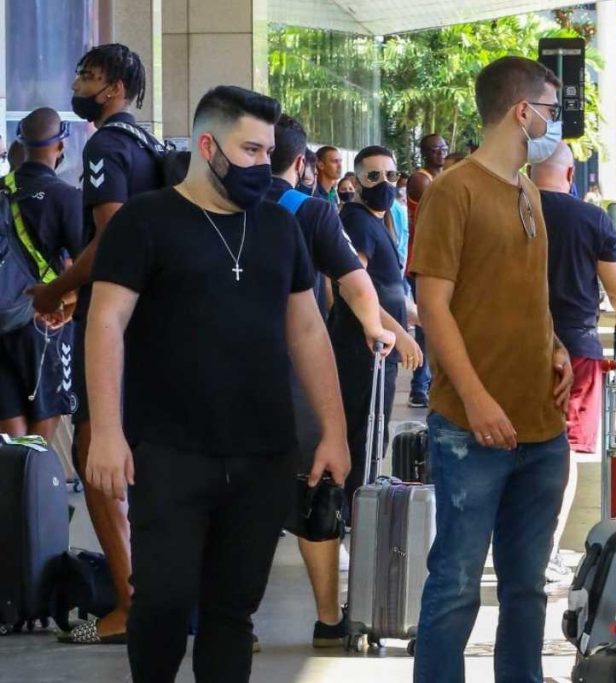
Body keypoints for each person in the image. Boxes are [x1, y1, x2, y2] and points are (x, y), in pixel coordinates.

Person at [86, 85, 350, 682]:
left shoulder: (281, 230)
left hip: (263, 452)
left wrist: (332, 431)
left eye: (268, 150)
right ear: (208, 146)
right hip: (170, 448)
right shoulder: (145, 222)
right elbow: (105, 323)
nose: (264, 163)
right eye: (251, 150)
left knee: (233, 611)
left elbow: (307, 332)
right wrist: (105, 430)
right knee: (164, 600)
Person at [412, 55, 573, 683]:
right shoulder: (454, 190)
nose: (556, 124)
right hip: (470, 428)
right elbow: (433, 306)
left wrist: (554, 345)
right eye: (552, 111)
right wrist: (477, 401)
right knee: (455, 582)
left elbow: (522, 293)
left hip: (540, 428)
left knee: (527, 588)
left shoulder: (528, 187)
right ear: (521, 111)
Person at [268, 114, 420, 648]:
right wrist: (383, 329)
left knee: (236, 497)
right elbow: (353, 285)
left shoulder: (210, 207)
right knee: (317, 487)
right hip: (296, 374)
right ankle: (329, 617)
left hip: (226, 374)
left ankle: (229, 620)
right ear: (302, 162)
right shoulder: (309, 211)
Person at [29, 43, 159, 646]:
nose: (78, 81)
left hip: (118, 330)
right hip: (157, 320)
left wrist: (57, 289)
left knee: (95, 454)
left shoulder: (108, 145)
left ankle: (132, 604)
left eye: (88, 74)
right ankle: (173, 599)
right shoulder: (151, 144)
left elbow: (115, 240)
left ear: (115, 87)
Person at [531, 142, 616, 583]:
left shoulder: (507, 208)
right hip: (576, 349)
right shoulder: (591, 219)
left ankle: (514, 547)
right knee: (565, 451)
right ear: (571, 174)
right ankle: (546, 553)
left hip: (510, 344)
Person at [330, 145, 422, 520]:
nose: (383, 183)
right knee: (364, 433)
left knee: (373, 431)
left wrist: (417, 317)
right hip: (363, 349)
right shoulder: (357, 221)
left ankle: (359, 509)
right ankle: (355, 513)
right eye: (373, 176)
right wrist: (398, 332)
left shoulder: (376, 221)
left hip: (378, 348)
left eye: (390, 174)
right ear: (356, 180)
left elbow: (388, 286)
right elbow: (357, 286)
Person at [0, 108, 84, 442]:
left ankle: (10, 490)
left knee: (8, 416)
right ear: (60, 146)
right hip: (44, 319)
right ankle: (31, 489)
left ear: (20, 141)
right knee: (45, 409)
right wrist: (71, 302)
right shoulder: (66, 198)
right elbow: (85, 263)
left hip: (2, 317)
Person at [406, 134, 449, 409]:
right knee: (425, 327)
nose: (441, 153)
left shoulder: (442, 177)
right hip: (422, 261)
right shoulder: (421, 180)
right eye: (435, 150)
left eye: (444, 148)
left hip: (437, 260)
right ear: (424, 153)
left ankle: (431, 383)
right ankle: (419, 386)